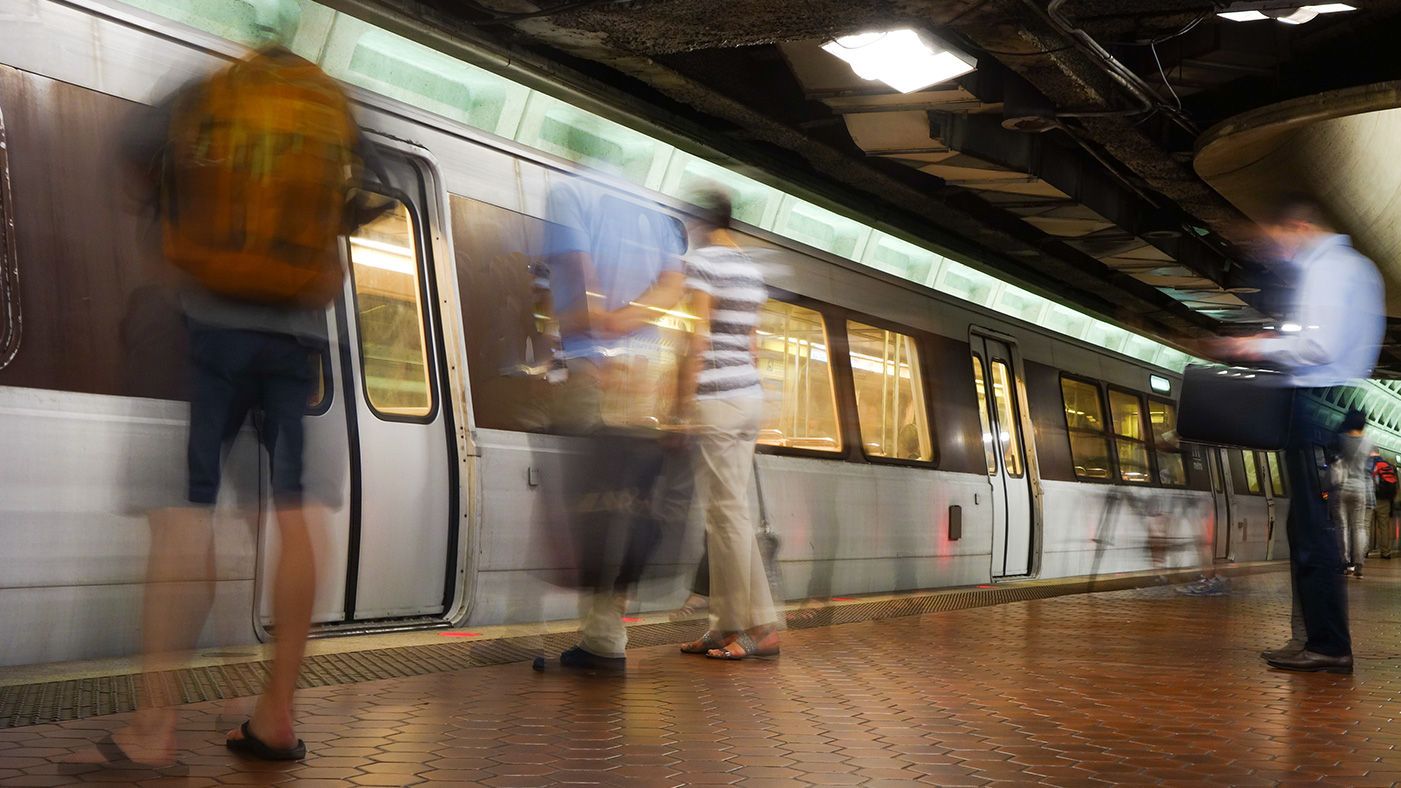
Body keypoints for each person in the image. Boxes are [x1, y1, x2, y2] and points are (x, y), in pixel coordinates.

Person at [85, 0, 384, 764]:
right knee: (294, 513)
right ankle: (276, 715)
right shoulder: (331, 105)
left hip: (205, 328)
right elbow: (367, 201)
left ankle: (154, 729)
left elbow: (129, 155)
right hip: (297, 339)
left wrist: (176, 225)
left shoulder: (206, 92)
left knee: (185, 515)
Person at [1210, 196, 1385, 675]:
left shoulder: (1329, 269)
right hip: (1329, 403)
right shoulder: (1358, 267)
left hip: (1312, 403)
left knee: (1314, 533)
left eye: (1278, 241)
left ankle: (1328, 645)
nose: (1277, 253)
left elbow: (1319, 345)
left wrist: (1256, 345)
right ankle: (1311, 637)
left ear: (1300, 227)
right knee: (1307, 528)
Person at [543, 159, 687, 672]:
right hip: (648, 374)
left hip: (596, 368)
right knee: (630, 503)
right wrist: (631, 323)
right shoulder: (655, 212)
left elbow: (577, 275)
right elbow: (673, 283)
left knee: (589, 502)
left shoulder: (569, 194)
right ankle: (607, 631)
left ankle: (601, 639)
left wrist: (601, 326)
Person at [677, 189, 781, 660]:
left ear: (699, 223)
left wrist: (682, 404)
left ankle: (757, 628)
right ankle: (728, 625)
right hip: (747, 397)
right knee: (725, 517)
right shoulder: (750, 271)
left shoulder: (703, 263)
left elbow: (697, 337)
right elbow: (752, 345)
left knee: (727, 518)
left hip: (716, 398)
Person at [1331, 409, 1372, 578]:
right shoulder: (1368, 442)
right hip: (1359, 488)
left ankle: (1345, 563)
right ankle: (1359, 563)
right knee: (1359, 526)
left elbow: (1331, 449)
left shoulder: (1341, 439)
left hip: (1341, 487)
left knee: (1342, 526)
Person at [1370, 449, 1397, 560]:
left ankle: (1365, 550)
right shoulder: (1389, 465)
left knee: (1367, 525)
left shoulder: (1369, 464)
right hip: (1385, 500)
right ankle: (1386, 552)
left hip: (1370, 498)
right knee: (1384, 526)